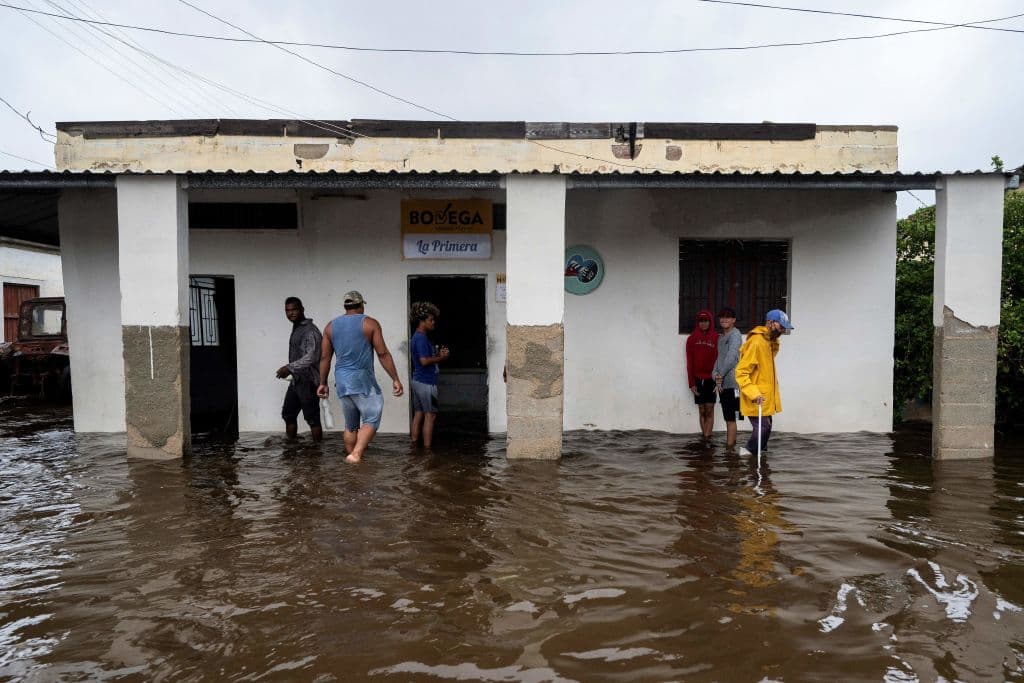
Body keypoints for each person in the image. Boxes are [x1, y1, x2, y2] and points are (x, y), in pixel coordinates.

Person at [317, 291, 404, 463]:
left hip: (342, 381)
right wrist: (395, 378)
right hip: (362, 380)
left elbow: (325, 358)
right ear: (361, 305)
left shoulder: (330, 327)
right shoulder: (369, 323)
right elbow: (383, 353)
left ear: (345, 306)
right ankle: (356, 454)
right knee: (372, 417)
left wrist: (322, 383)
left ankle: (353, 462)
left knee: (351, 425)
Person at [735, 309, 794, 456]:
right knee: (763, 427)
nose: (782, 330)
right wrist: (754, 394)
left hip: (765, 397)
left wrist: (773, 340)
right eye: (780, 326)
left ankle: (760, 465)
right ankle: (747, 456)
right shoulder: (756, 342)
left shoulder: (768, 342)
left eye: (783, 327)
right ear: (769, 323)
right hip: (756, 397)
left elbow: (767, 361)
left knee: (767, 428)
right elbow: (741, 372)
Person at [277, 296, 323, 442]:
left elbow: (312, 357)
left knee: (312, 418)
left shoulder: (310, 331)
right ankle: (291, 449)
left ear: (302, 309)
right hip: (297, 380)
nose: (291, 313)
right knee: (288, 414)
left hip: (309, 381)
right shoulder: (297, 327)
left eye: (294, 309)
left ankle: (317, 454)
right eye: (287, 310)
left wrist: (289, 367)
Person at [409, 301, 449, 449]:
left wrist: (437, 354)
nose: (433, 323)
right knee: (430, 415)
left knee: (419, 413)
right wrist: (442, 358)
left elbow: (425, 359)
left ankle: (414, 446)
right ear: (422, 321)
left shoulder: (418, 337)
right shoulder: (420, 338)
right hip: (426, 383)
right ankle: (427, 451)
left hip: (418, 381)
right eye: (431, 320)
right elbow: (424, 361)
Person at [712, 307, 743, 450]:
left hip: (733, 384)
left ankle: (730, 451)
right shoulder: (721, 337)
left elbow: (731, 358)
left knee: (732, 418)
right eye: (722, 317)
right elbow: (719, 358)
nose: (724, 319)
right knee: (728, 417)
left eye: (728, 317)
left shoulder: (735, 335)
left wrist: (720, 375)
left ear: (734, 320)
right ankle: (731, 447)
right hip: (722, 383)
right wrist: (715, 374)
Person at [685, 310, 719, 439]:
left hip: (711, 379)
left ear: (710, 322)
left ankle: (707, 437)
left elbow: (720, 360)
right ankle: (705, 437)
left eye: (706, 321)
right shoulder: (691, 339)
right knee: (702, 410)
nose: (704, 323)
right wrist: (691, 383)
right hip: (697, 379)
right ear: (698, 323)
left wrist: (718, 380)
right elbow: (689, 362)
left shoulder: (716, 338)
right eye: (701, 321)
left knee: (709, 409)